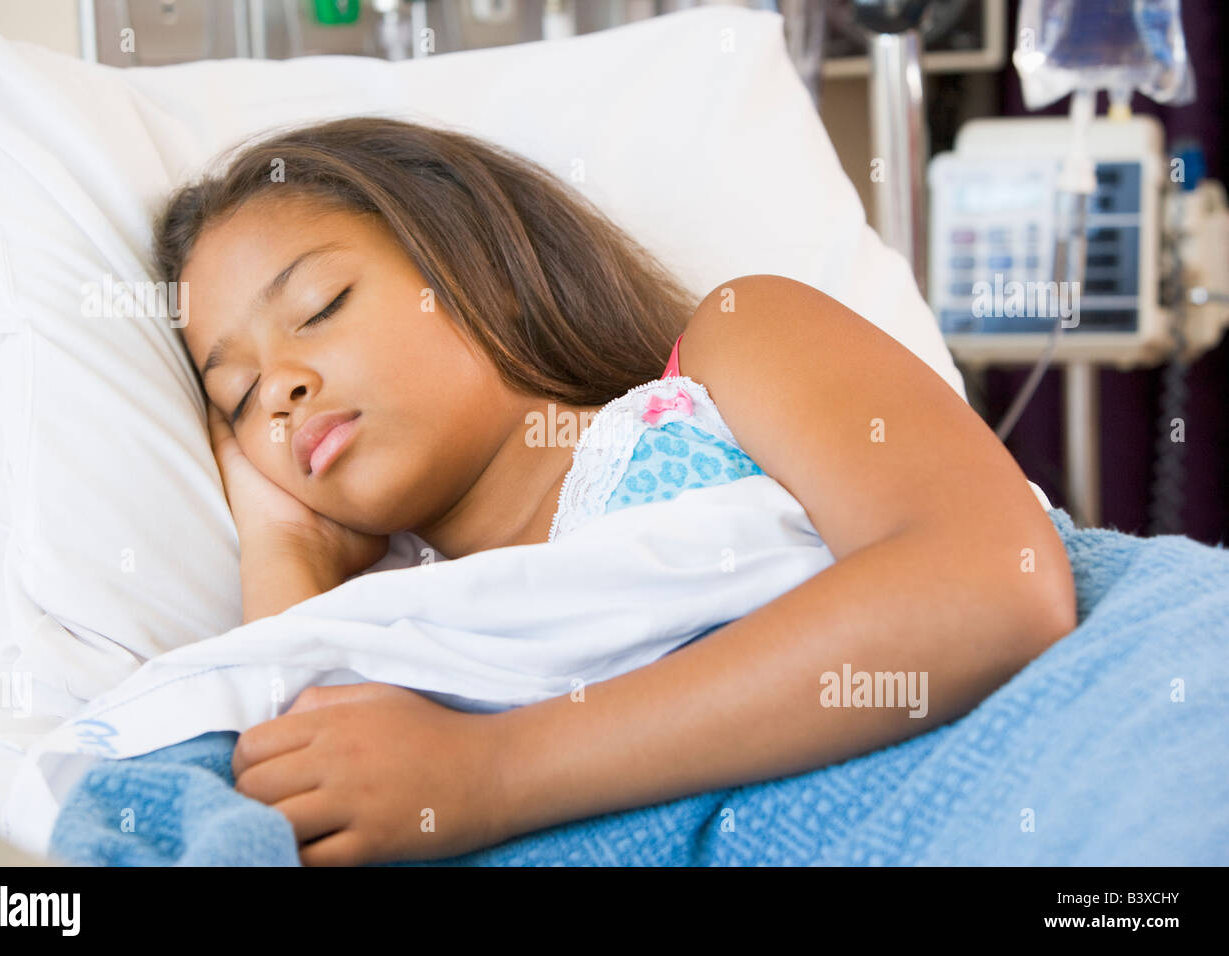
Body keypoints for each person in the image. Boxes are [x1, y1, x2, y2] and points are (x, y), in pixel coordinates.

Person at [153, 116, 1076, 866]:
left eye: (319, 306)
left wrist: (494, 772)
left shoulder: (727, 362)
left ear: (479, 265)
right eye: (236, 398)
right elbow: (305, 801)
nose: (278, 389)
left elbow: (993, 586)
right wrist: (286, 544)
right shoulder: (409, 640)